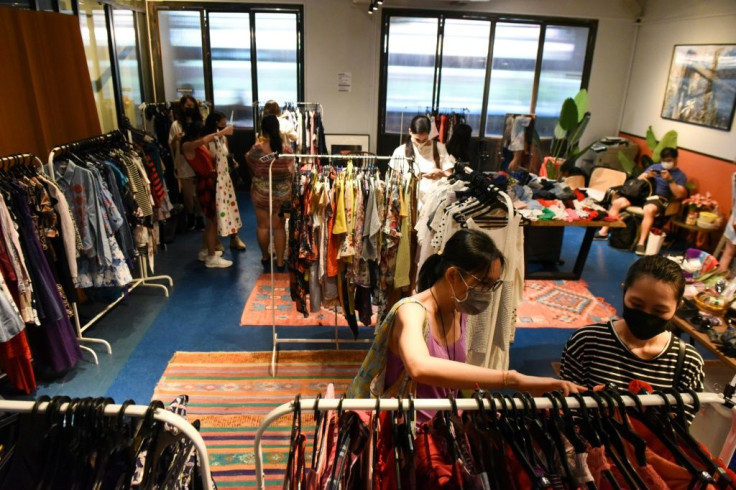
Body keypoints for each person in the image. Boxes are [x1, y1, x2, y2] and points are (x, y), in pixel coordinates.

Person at [349, 228, 584, 423]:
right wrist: (512, 379)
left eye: (492, 285)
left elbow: (452, 379)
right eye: (483, 283)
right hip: (404, 432)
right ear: (452, 275)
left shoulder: (460, 309)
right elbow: (419, 367)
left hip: (443, 430)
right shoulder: (411, 311)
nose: (486, 293)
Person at [560, 255, 704, 420]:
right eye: (636, 304)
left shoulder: (688, 363)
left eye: (659, 311)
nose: (646, 317)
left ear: (677, 307)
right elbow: (569, 409)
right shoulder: (587, 342)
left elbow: (679, 428)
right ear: (624, 291)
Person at [595, 147, 688, 255]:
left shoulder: (680, 175)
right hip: (642, 195)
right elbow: (638, 180)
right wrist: (647, 176)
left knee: (649, 209)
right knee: (617, 202)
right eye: (664, 160)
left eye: (669, 161)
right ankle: (604, 231)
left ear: (675, 159)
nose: (666, 163)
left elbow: (679, 194)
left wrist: (670, 179)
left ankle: (641, 243)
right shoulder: (655, 167)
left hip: (659, 198)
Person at [180, 116, 235, 268]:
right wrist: (221, 133)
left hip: (210, 180)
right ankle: (211, 256)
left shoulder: (195, 145)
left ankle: (206, 250)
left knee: (210, 220)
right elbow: (203, 141)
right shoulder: (188, 145)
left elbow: (211, 156)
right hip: (206, 183)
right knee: (212, 221)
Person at [245, 115, 295, 272]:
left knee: (263, 226)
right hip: (281, 193)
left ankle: (266, 256)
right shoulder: (286, 149)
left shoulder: (257, 149)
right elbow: (291, 170)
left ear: (263, 130)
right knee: (279, 227)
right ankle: (280, 262)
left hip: (261, 191)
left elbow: (250, 162)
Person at [203, 112, 246, 252]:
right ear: (216, 123)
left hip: (226, 178)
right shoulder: (209, 139)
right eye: (223, 122)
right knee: (215, 212)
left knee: (231, 208)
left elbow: (226, 154)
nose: (226, 125)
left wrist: (231, 161)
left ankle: (234, 237)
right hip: (213, 179)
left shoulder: (223, 139)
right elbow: (207, 157)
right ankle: (214, 241)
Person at [388, 115, 453, 206]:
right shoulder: (400, 151)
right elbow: (393, 181)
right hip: (408, 204)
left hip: (434, 203)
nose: (421, 143)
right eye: (417, 140)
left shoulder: (439, 148)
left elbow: (450, 176)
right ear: (410, 131)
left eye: (425, 140)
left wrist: (441, 173)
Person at [169, 95, 204, 231]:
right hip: (183, 163)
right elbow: (171, 146)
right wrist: (176, 140)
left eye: (191, 105)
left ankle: (200, 217)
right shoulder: (176, 125)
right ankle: (190, 217)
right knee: (188, 195)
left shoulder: (199, 123)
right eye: (187, 106)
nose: (189, 108)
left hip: (199, 162)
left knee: (200, 193)